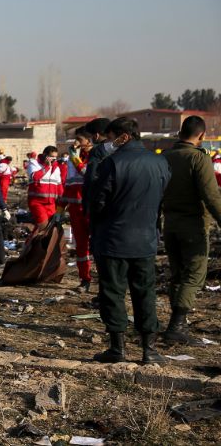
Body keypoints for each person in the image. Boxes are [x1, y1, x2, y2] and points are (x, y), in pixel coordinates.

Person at [87, 117, 170, 364]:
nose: (107, 142)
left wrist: (97, 157)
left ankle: (118, 348)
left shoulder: (111, 163)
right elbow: (161, 198)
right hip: (145, 240)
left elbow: (96, 201)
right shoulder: (160, 162)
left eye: (110, 137)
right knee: (145, 293)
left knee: (113, 293)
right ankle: (149, 349)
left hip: (113, 239)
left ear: (121, 137)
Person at [160, 116, 221, 345]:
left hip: (170, 224)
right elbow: (211, 195)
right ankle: (176, 327)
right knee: (195, 275)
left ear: (179, 133)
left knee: (177, 274)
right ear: (202, 136)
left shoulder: (165, 157)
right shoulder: (199, 159)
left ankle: (177, 326)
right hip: (193, 225)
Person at [53, 130, 94, 292]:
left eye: (80, 140)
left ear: (89, 141)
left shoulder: (95, 157)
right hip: (77, 212)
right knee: (81, 248)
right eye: (75, 140)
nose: (76, 143)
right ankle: (85, 279)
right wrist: (59, 211)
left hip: (92, 209)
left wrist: (75, 157)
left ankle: (106, 281)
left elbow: (86, 173)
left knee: (99, 246)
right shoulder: (72, 159)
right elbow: (69, 186)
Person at [26, 145, 63, 227]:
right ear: (44, 155)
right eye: (51, 157)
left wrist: (62, 202)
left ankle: (34, 239)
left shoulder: (56, 168)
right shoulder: (34, 164)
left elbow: (59, 186)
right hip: (37, 202)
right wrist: (46, 167)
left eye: (55, 157)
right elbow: (35, 177)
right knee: (43, 225)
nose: (54, 159)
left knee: (50, 227)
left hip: (51, 204)